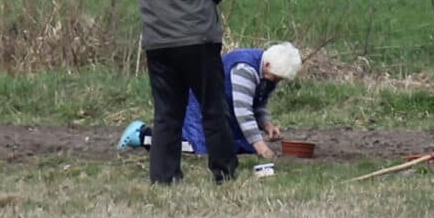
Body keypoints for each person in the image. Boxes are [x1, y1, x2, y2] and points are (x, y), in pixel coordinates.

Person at [129, 0, 237, 185]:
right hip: (197, 40)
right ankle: (223, 171)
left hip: (157, 43)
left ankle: (164, 176)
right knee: (212, 107)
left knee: (166, 113)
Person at [119, 42, 302, 160]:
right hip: (201, 104)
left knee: (238, 148)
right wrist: (262, 148)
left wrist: (267, 125)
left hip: (225, 109)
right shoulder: (244, 70)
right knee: (198, 148)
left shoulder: (268, 71)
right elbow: (243, 112)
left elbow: (258, 104)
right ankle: (142, 135)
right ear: (267, 65)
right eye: (276, 78)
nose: (276, 82)